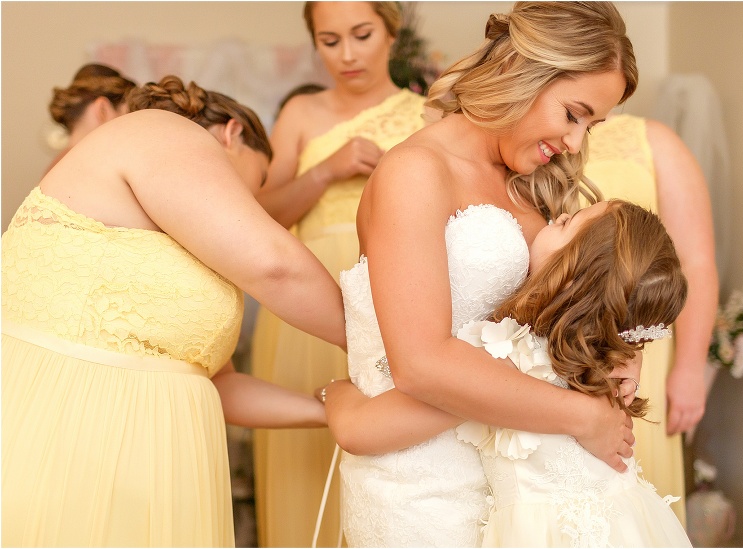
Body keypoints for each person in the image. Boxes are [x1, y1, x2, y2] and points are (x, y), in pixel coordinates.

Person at [313, 2, 641, 546]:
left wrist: (623, 349)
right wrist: (581, 415)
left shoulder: (529, 183)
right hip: (427, 488)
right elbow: (420, 364)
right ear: (521, 72)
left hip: (519, 479)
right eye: (573, 113)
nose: (576, 143)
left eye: (592, 124)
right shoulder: (415, 173)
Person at [1, 75, 346, 547]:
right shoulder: (160, 129)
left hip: (156, 466)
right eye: (257, 180)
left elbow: (218, 383)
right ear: (231, 133)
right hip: (71, 433)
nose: (254, 203)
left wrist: (330, 410)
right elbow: (276, 267)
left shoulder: (183, 250)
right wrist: (385, 344)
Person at [324, 199, 693, 547]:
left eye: (566, 223)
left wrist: (335, 391)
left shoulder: (512, 357)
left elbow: (359, 430)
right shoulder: (605, 365)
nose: (553, 219)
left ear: (569, 275)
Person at [250, 3, 427, 546]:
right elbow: (259, 217)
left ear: (392, 32)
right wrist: (327, 170)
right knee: (303, 460)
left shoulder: (429, 115)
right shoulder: (302, 114)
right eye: (329, 41)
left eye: (362, 34)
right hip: (302, 300)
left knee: (393, 459)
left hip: (393, 293)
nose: (347, 55)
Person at [584, 113, 719, 525]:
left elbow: (694, 262)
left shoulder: (651, 140)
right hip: (560, 346)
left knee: (642, 494)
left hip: (644, 351)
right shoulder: (536, 137)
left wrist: (691, 368)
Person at [45, 63, 137, 174]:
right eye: (127, 116)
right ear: (102, 109)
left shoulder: (57, 166)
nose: (131, 129)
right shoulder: (92, 167)